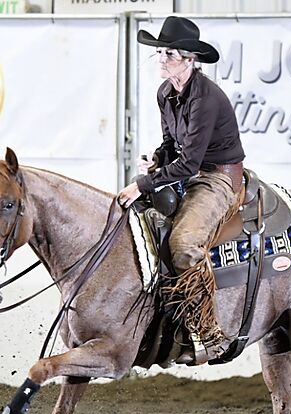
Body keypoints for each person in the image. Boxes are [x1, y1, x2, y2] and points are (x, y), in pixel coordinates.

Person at [117, 16, 246, 365]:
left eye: (170, 54)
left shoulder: (206, 99)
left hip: (218, 178)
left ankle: (209, 334)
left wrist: (141, 183)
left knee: (184, 245)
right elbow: (173, 145)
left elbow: (189, 164)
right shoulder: (166, 93)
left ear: (190, 59)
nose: (161, 58)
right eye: (160, 52)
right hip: (192, 172)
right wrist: (158, 157)